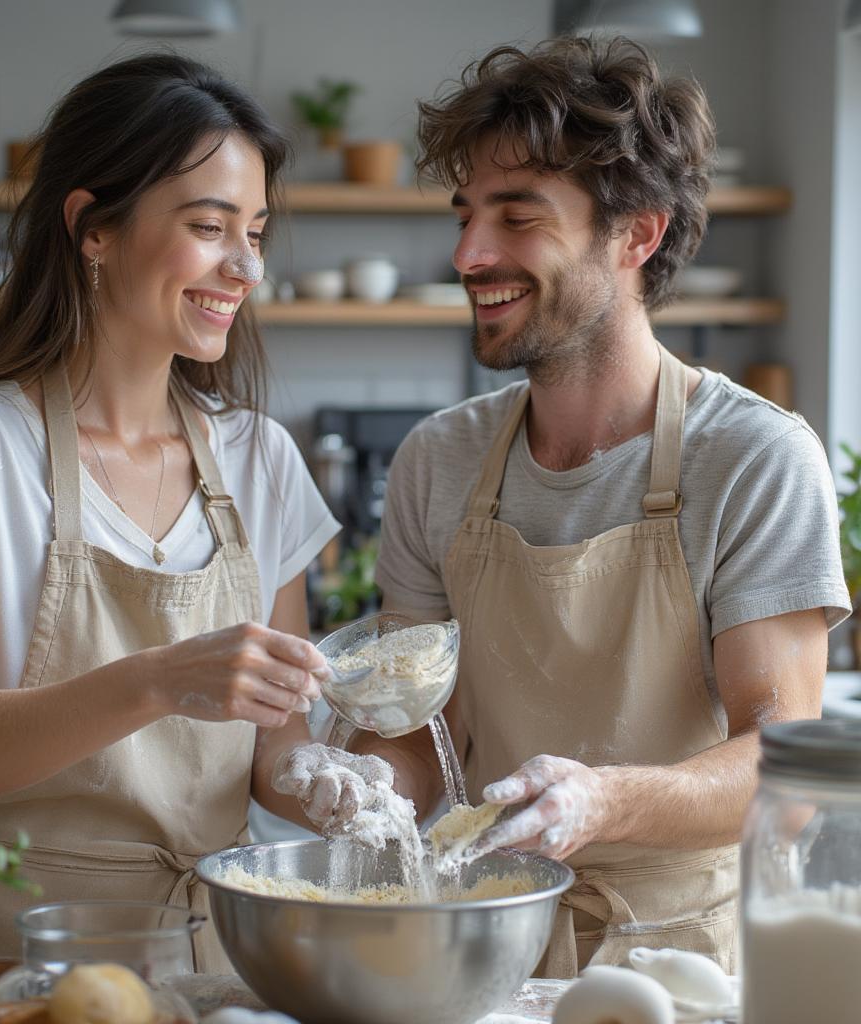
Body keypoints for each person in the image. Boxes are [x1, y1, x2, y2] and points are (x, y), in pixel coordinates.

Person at [285, 37, 852, 976]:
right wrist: (365, 781)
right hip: (493, 955)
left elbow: (781, 765)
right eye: (467, 214)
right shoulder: (440, 461)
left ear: (638, 234)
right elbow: (421, 731)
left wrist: (603, 800)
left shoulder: (753, 458)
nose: (469, 253)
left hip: (687, 967)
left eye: (517, 217)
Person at [0, 53, 341, 975]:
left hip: (210, 963)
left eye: (257, 231)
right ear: (93, 229)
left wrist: (342, 793)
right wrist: (157, 680)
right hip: (12, 961)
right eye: (209, 226)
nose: (245, 266)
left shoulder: (260, 459)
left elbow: (278, 741)